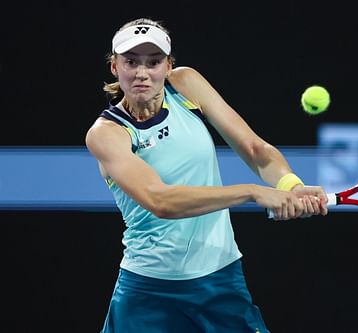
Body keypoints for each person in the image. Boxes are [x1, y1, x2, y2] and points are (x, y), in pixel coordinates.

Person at [85, 17, 328, 333]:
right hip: (147, 292)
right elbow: (161, 201)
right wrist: (252, 192)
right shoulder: (106, 134)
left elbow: (254, 148)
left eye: (154, 62)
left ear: (169, 65)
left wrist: (290, 184)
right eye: (131, 62)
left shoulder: (186, 84)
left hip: (219, 279)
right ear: (115, 67)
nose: (142, 73)